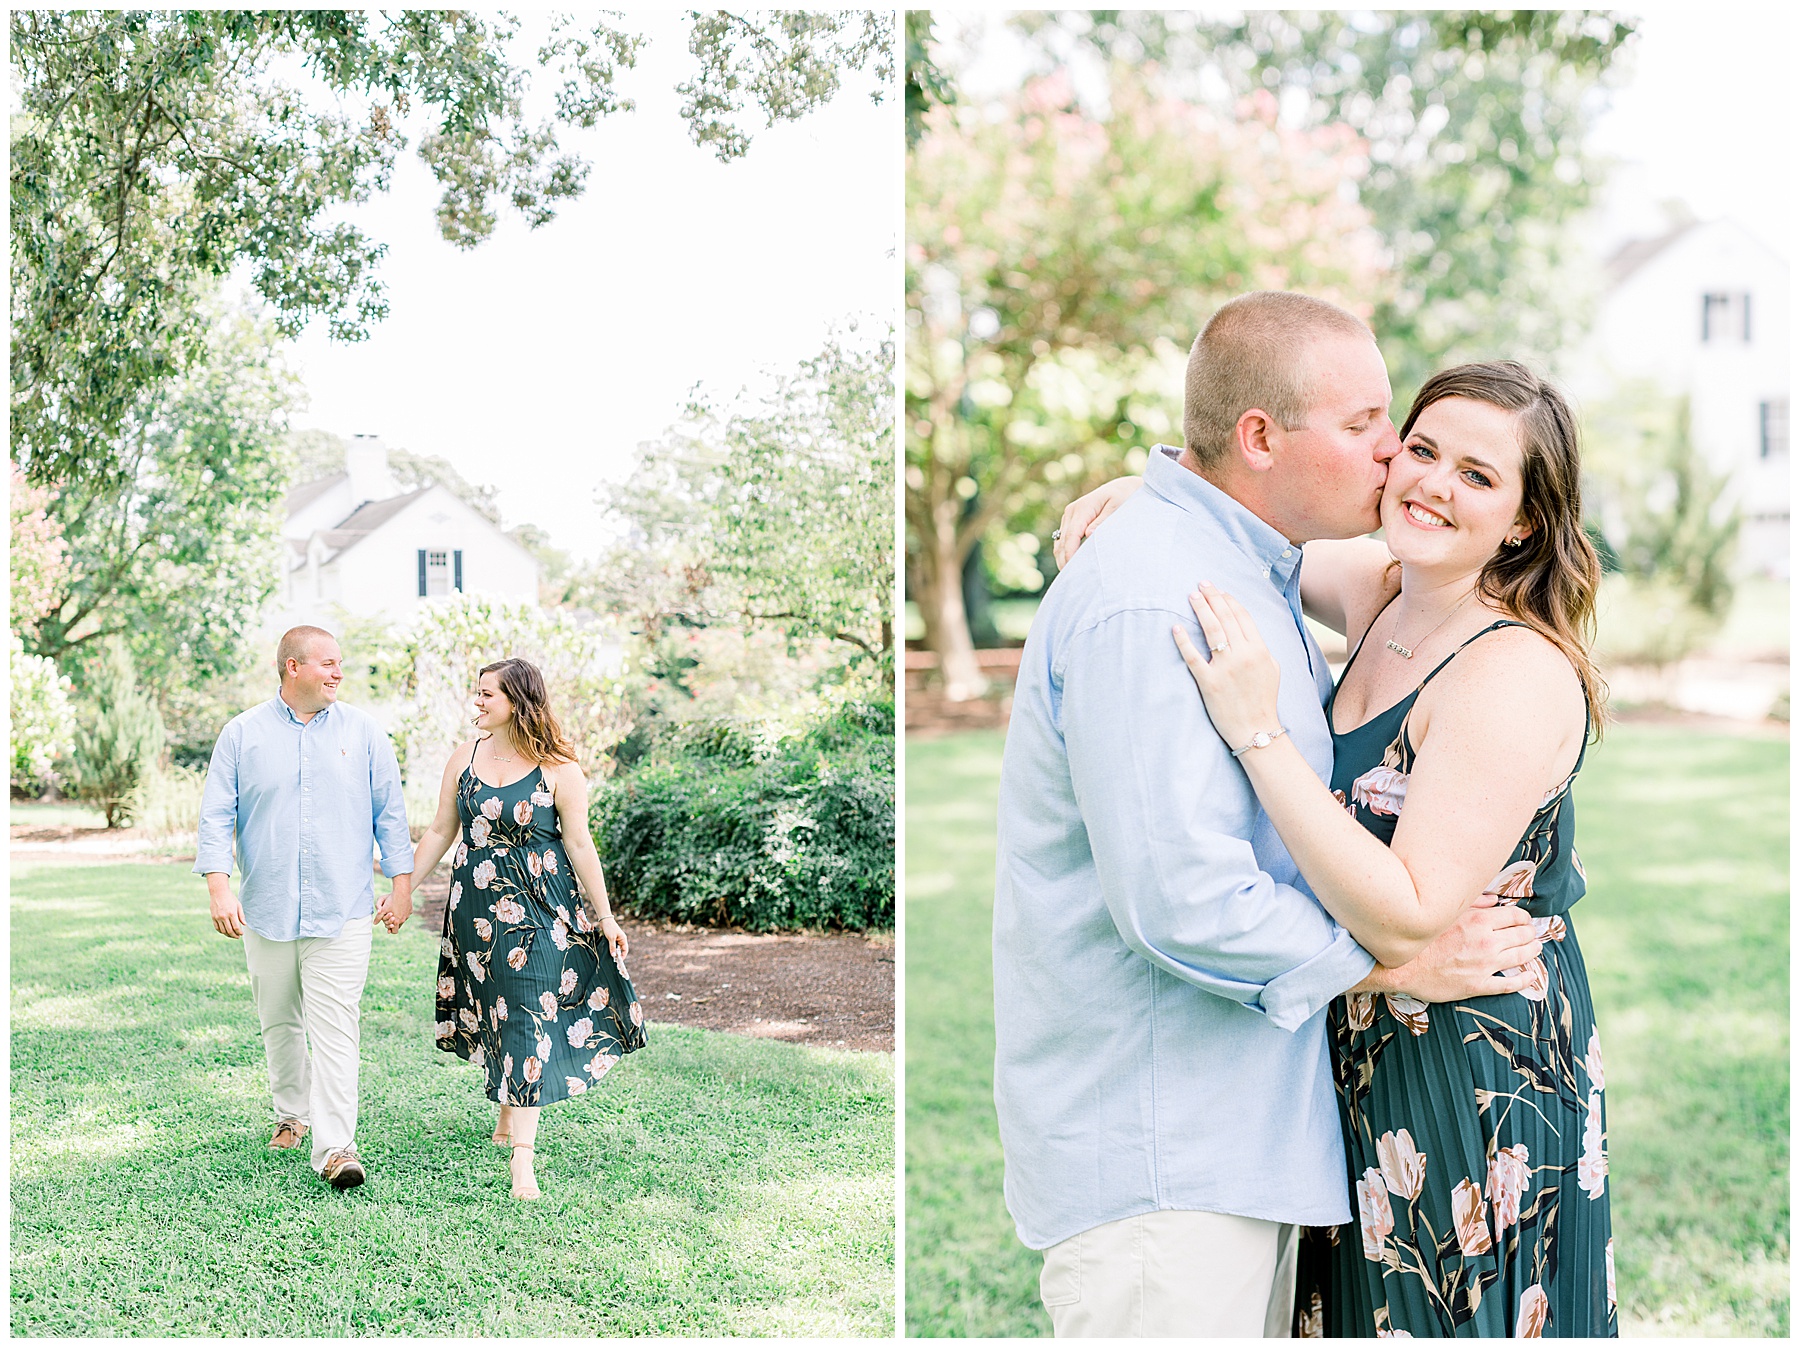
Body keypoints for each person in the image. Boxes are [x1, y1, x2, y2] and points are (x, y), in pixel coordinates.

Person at [993, 291, 1545, 1339]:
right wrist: (1391, 964)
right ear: (1259, 437)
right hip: (1167, 1157)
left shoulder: (1246, 567)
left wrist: (1143, 485)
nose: (1391, 458)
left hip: (1242, 1137)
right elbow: (1180, 897)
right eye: (1366, 426)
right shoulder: (1159, 596)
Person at [408, 657, 645, 1201]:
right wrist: (404, 890)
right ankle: (506, 1114)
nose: (479, 702)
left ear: (519, 700)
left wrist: (604, 917)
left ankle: (523, 1163)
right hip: (474, 909)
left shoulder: (559, 767)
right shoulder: (462, 758)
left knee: (526, 1011)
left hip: (540, 909)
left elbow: (580, 845)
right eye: (478, 693)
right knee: (499, 1007)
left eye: (489, 693)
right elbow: (442, 830)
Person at [197, 625, 415, 1190]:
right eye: (328, 663)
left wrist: (402, 884)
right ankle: (291, 1115)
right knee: (279, 1021)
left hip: (343, 909)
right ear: (293, 667)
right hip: (265, 907)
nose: (338, 673)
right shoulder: (242, 734)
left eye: (340, 663)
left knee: (337, 1026)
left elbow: (390, 813)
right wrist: (219, 886)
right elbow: (217, 814)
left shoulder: (365, 732)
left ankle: (337, 1147)